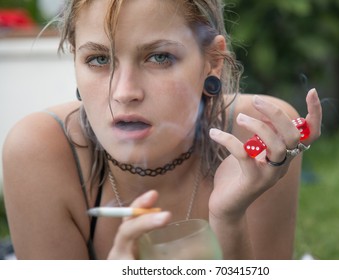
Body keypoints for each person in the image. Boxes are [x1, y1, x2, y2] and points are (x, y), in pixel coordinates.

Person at [2, 0, 322, 260]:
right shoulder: (40, 151)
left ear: (212, 60)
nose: (124, 92)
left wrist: (229, 218)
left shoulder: (259, 134)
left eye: (158, 57)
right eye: (99, 59)